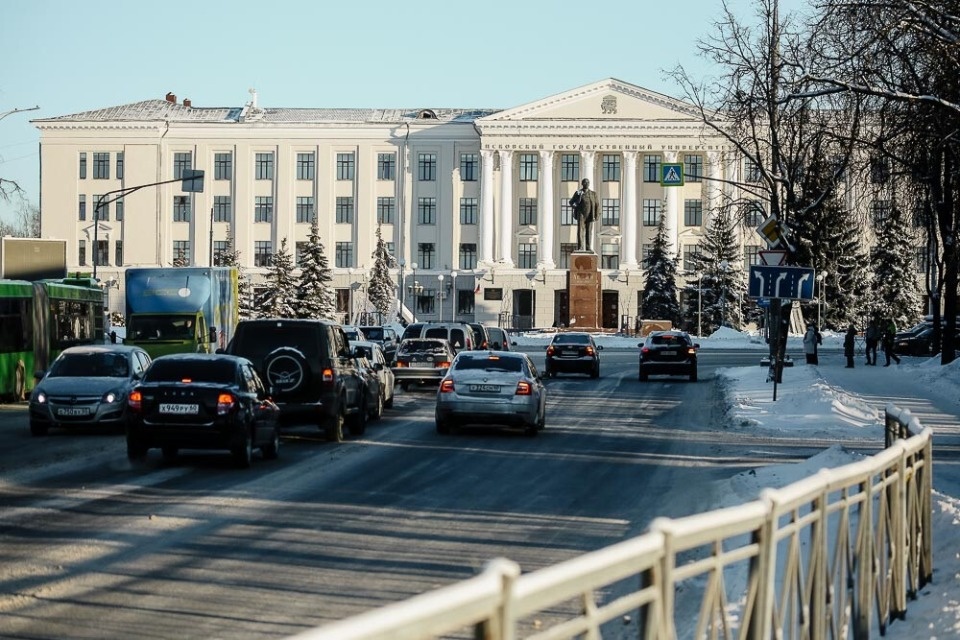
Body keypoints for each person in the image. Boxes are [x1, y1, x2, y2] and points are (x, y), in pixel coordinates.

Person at [569, 178, 599, 252]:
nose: (587, 184)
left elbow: (597, 205)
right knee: (580, 231)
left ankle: (588, 247)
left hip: (590, 215)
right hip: (581, 214)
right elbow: (571, 202)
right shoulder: (578, 193)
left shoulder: (593, 194)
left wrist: (596, 215)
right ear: (582, 184)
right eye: (585, 183)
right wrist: (575, 205)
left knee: (589, 232)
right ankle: (580, 247)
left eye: (588, 183)